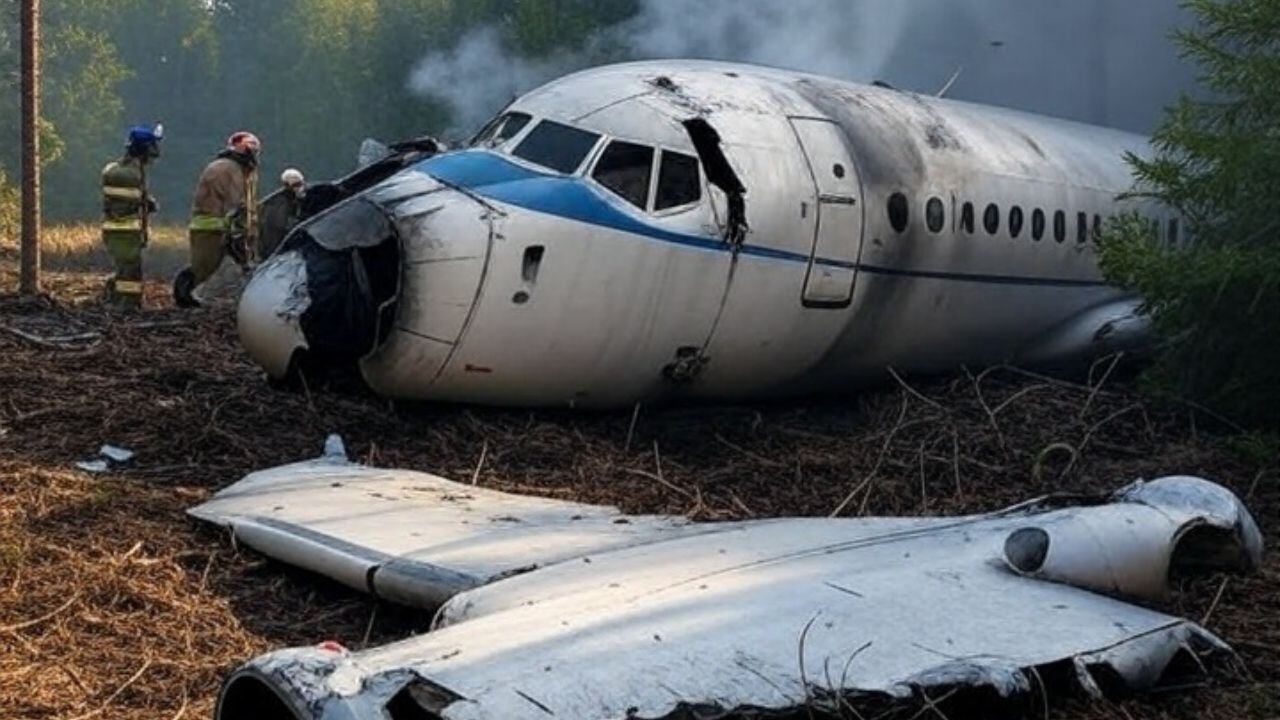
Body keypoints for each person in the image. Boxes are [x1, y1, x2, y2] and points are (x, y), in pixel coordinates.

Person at [173, 131, 262, 308]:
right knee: (204, 266)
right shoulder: (230, 169)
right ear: (247, 151)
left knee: (236, 264)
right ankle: (183, 296)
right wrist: (240, 227)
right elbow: (236, 202)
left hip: (218, 225)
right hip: (213, 226)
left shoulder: (229, 167)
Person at [100, 124, 163, 309]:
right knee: (130, 275)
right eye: (152, 146)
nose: (155, 151)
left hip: (121, 231)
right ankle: (127, 307)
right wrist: (147, 203)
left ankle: (114, 298)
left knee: (125, 269)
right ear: (144, 149)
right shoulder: (128, 175)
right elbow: (129, 203)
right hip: (124, 231)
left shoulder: (120, 169)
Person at [257, 168, 307, 260]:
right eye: (297, 185)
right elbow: (280, 228)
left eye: (302, 183)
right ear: (288, 187)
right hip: (275, 253)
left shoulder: (297, 202)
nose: (301, 188)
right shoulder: (278, 206)